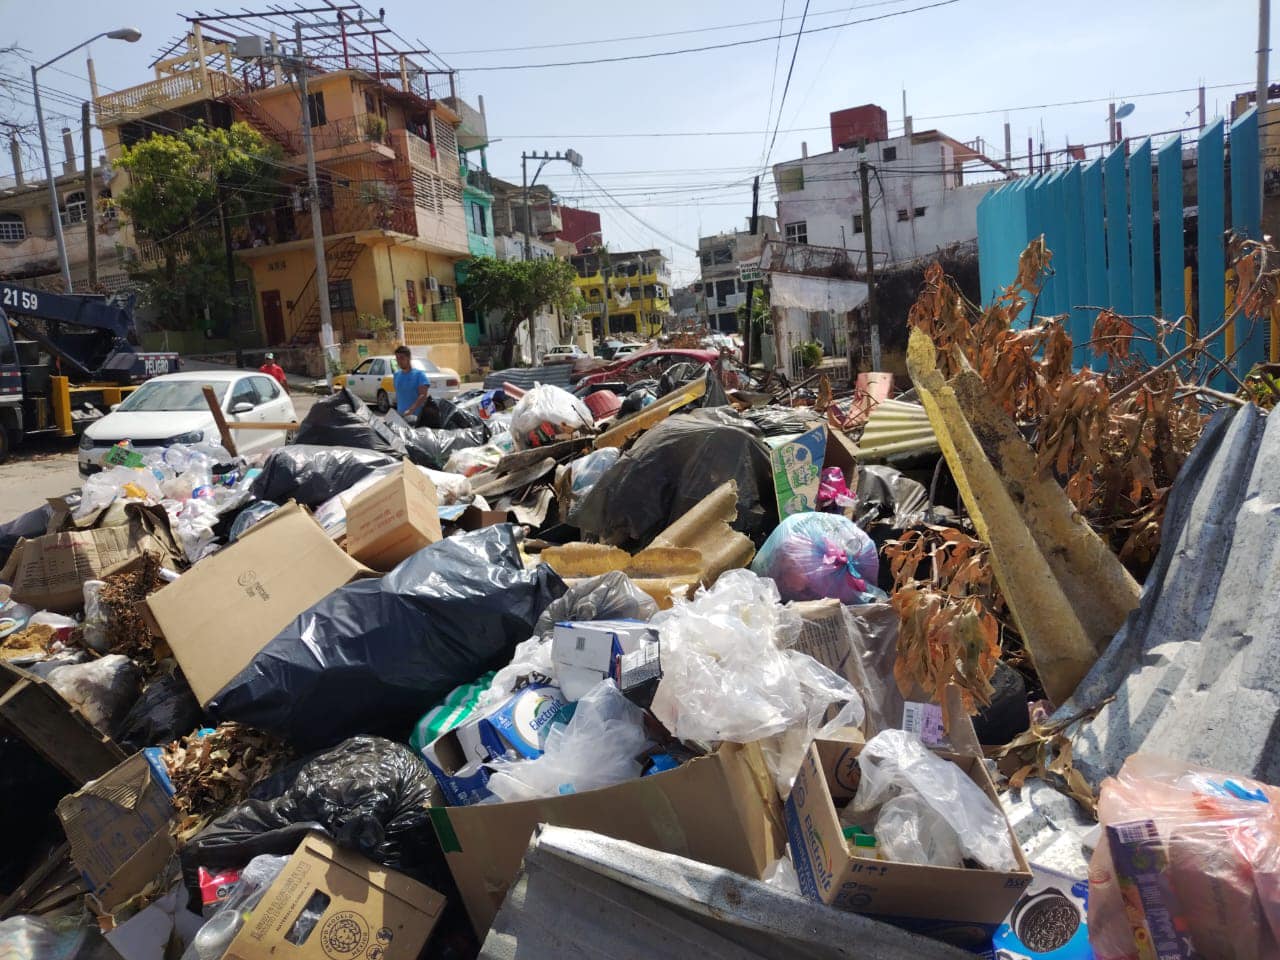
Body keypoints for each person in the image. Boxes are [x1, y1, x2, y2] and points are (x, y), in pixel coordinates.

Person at [393, 344, 431, 420]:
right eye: (397, 358)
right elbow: (399, 395)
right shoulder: (396, 375)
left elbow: (423, 395)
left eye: (402, 358)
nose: (399, 361)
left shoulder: (419, 375)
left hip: (416, 418)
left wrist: (411, 410)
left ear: (409, 358)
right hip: (401, 417)